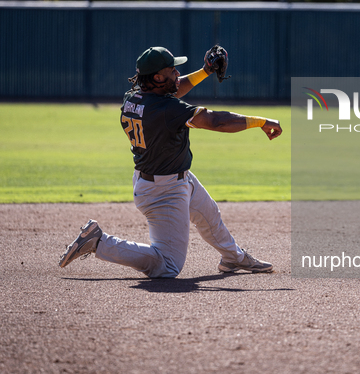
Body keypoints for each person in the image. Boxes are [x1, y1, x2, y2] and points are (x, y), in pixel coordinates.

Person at [58, 46, 282, 278]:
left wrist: (205, 71)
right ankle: (99, 242)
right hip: (163, 191)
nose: (177, 74)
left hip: (170, 178)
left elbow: (175, 89)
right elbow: (215, 121)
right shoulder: (167, 109)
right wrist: (261, 121)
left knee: (209, 216)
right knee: (168, 265)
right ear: (157, 77)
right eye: (172, 70)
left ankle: (233, 258)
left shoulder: (134, 97)